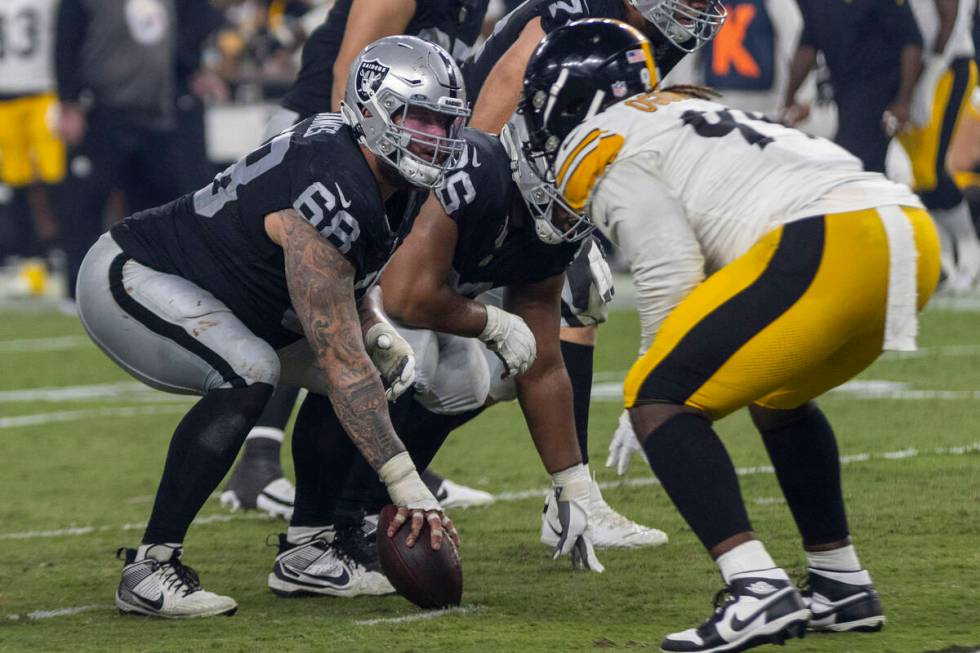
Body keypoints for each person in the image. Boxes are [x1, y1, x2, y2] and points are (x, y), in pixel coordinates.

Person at [517, 18, 940, 652]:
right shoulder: (691, 105)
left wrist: (654, 387)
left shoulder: (597, 138)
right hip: (905, 230)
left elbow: (667, 262)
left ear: (565, 97)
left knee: (659, 396)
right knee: (779, 398)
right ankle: (840, 583)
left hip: (829, 240)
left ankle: (756, 587)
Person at [75, 36, 470, 618]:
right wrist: (407, 484)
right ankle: (150, 566)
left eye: (444, 124)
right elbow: (336, 355)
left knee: (375, 372)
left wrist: (376, 327)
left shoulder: (384, 176)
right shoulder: (333, 183)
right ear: (374, 108)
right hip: (134, 274)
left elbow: (347, 286)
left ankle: (308, 552)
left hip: (228, 300)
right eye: (420, 120)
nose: (434, 139)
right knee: (255, 371)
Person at [222, 0, 493, 517]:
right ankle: (256, 461)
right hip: (318, 143)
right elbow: (353, 74)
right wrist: (350, 174)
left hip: (372, 152)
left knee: (350, 316)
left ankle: (377, 461)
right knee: (303, 313)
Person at [54, 0, 185, 310]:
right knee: (86, 202)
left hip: (156, 111)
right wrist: (68, 101)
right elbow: (65, 40)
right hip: (101, 109)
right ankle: (78, 291)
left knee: (158, 206)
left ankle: (153, 284)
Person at [782, 0, 923, 174]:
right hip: (842, 87)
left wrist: (903, 101)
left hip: (878, 84)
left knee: (855, 163)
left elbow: (912, 43)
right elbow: (808, 45)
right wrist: (788, 98)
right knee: (849, 161)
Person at [899, 0, 980, 293]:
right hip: (914, 68)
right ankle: (943, 261)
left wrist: (930, 74)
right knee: (914, 172)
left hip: (947, 65)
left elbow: (951, 17)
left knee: (929, 170)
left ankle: (971, 252)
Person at [0, 0, 63, 266]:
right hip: (7, 92)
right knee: (13, 175)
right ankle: (20, 245)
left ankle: (58, 242)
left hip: (43, 89)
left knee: (54, 172)